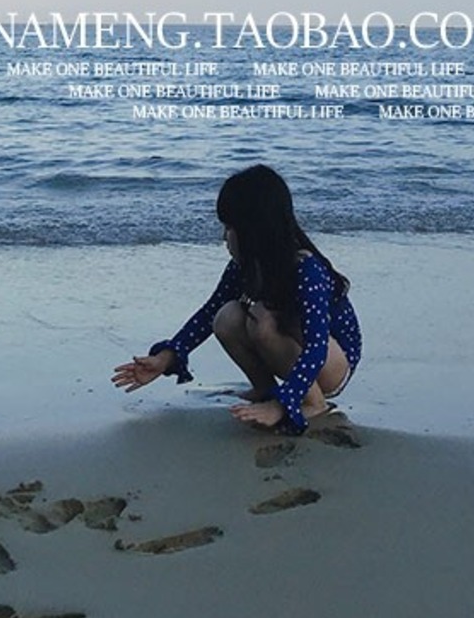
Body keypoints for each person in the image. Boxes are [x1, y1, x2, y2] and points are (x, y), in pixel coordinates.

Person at [111, 164, 361, 434]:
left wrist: (284, 404)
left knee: (262, 319)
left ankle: (312, 404)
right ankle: (266, 390)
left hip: (331, 363)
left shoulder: (305, 269)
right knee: (227, 316)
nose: (224, 237)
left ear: (254, 231)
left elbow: (316, 346)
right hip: (298, 353)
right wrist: (166, 358)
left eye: (230, 228)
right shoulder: (244, 268)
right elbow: (208, 314)